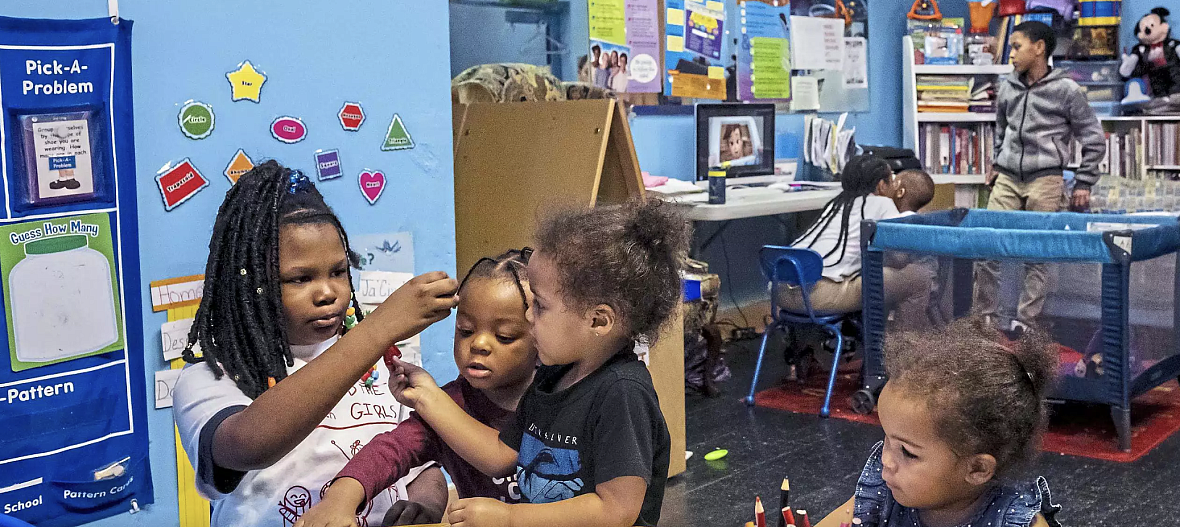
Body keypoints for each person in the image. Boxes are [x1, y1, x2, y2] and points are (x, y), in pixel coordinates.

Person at [172, 161, 459, 527]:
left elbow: (421, 465)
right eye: (300, 278)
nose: (328, 293)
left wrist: (426, 506)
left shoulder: (385, 364)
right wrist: (377, 329)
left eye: (339, 271)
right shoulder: (210, 378)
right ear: (250, 285)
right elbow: (250, 444)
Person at [388, 199, 688, 527]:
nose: (528, 316)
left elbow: (616, 509)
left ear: (599, 321)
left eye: (540, 306)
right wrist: (426, 396)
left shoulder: (623, 393)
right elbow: (500, 455)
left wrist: (511, 517)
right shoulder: (550, 378)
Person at [296, 249, 536, 527]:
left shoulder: (568, 399)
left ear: (541, 336)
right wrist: (339, 500)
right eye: (466, 330)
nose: (479, 344)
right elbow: (389, 450)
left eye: (504, 336)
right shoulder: (450, 404)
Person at [815, 317, 1063, 527]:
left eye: (908, 452)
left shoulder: (1013, 518)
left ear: (977, 469)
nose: (885, 460)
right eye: (886, 439)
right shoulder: (883, 492)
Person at [976, 20, 1106, 332]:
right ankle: (985, 318)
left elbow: (1094, 138)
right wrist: (996, 161)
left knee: (1039, 252)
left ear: (1039, 48)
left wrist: (1084, 181)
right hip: (1007, 178)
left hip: (1046, 179)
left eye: (1016, 46)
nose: (1011, 54)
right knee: (985, 246)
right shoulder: (1008, 86)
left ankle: (1026, 321)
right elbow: (1000, 128)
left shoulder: (1067, 90)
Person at [778, 155, 933, 317]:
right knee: (919, 277)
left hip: (780, 291)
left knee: (866, 274)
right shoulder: (883, 203)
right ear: (881, 185)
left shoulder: (836, 203)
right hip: (815, 296)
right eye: (891, 181)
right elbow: (900, 256)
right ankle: (904, 340)